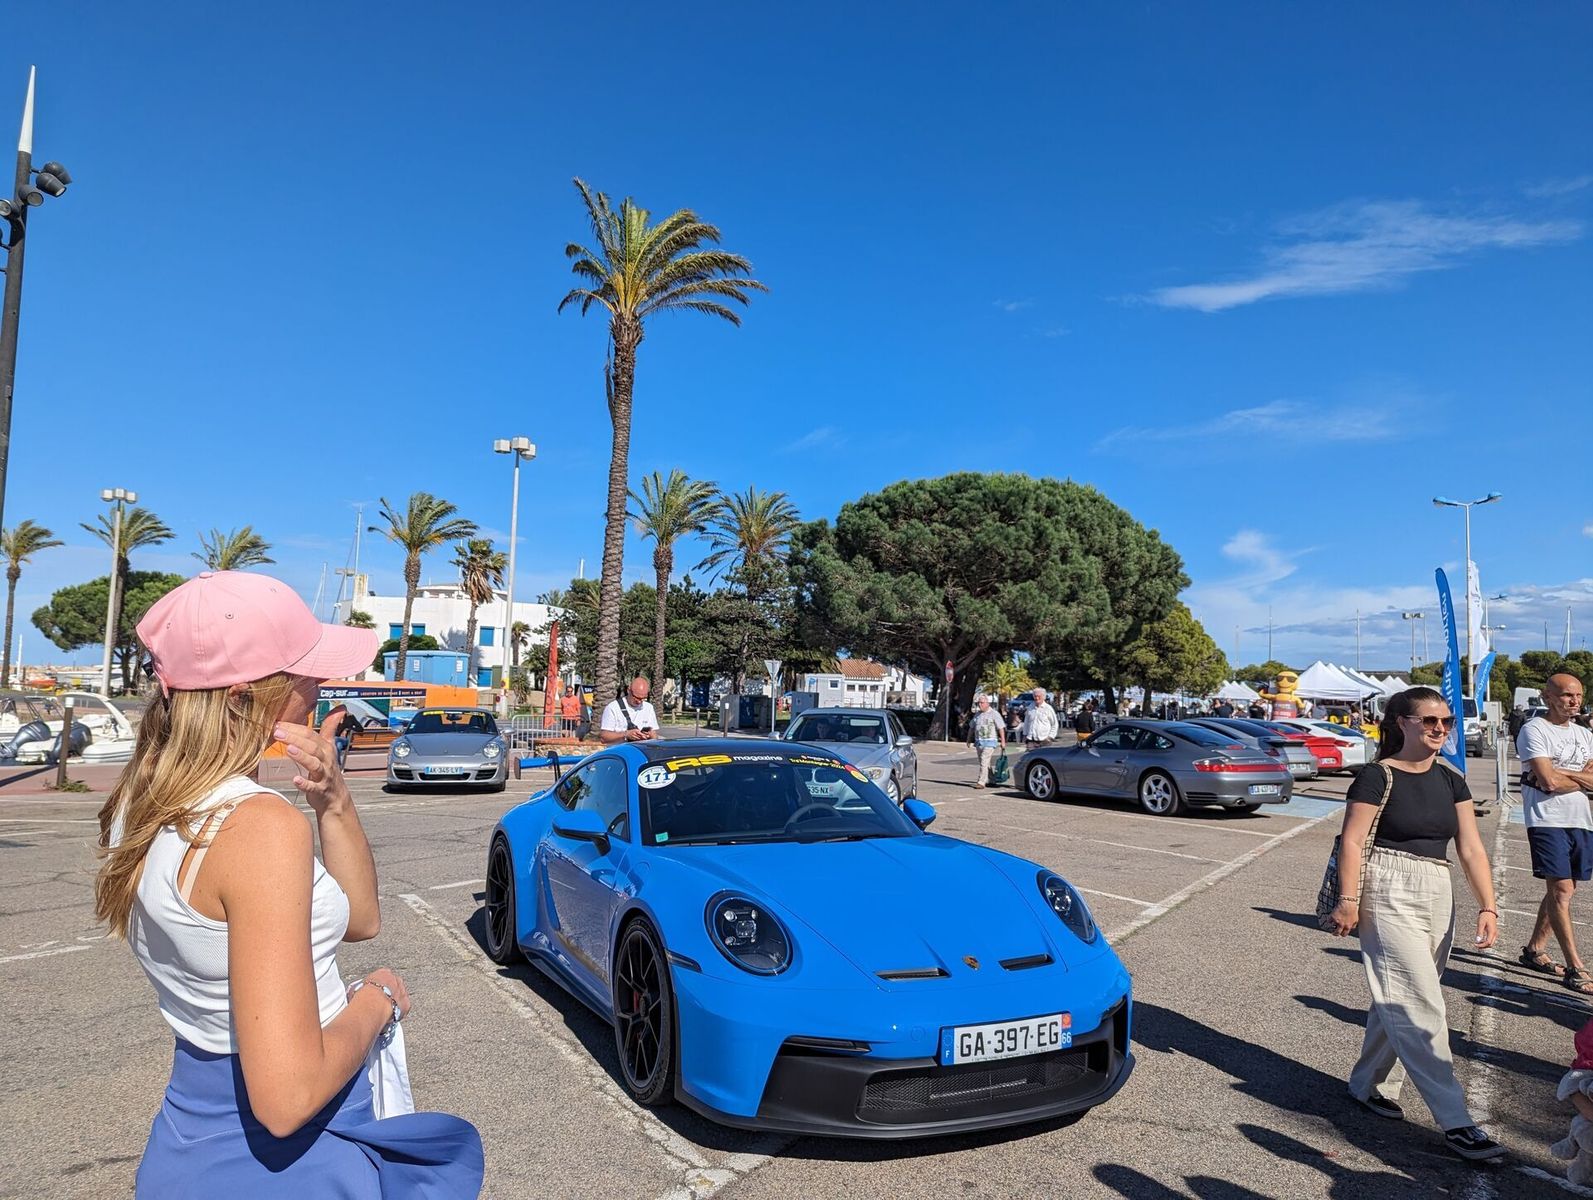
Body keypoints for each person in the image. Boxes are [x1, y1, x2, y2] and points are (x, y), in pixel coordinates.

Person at [97, 571, 483, 1196]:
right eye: (304, 673)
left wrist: (334, 798)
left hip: (190, 1135)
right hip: (292, 1160)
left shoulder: (140, 801)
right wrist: (377, 999)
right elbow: (288, 1098)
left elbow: (360, 919)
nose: (320, 688)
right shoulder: (257, 825)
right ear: (243, 698)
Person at [1329, 685, 1502, 1161]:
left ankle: (1367, 1084)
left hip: (1437, 887)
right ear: (1402, 723)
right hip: (1387, 885)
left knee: (1401, 994)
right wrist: (1348, 900)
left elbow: (1471, 847)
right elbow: (1352, 841)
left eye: (1446, 721)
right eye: (1430, 721)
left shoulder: (1452, 779)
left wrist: (1488, 906)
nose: (1440, 728)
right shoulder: (1376, 775)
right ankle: (1456, 1119)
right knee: (1419, 1002)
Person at [1517, 673, 1593, 994]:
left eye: (1578, 695)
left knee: (1564, 890)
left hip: (1581, 820)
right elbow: (1546, 782)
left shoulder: (1585, 734)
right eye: (1566, 695)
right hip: (1547, 819)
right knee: (1561, 890)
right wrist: (1575, 777)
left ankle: (1535, 949)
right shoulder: (1534, 729)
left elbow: (1552, 777)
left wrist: (1558, 772)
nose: (1574, 701)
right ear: (1548, 696)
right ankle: (1576, 967)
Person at [599, 676, 660, 744]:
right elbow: (604, 737)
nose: (639, 701)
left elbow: (655, 735)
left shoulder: (649, 708)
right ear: (628, 690)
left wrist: (651, 736)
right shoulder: (613, 708)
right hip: (620, 749)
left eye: (643, 698)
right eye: (636, 697)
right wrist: (626, 735)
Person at [967, 694, 1005, 788]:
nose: (980, 705)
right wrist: (968, 739)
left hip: (990, 742)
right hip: (979, 742)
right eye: (979, 703)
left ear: (988, 703)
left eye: (982, 703)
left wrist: (1003, 741)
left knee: (984, 760)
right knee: (985, 763)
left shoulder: (994, 714)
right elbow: (972, 727)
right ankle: (992, 779)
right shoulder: (977, 715)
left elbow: (1001, 728)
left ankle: (981, 782)